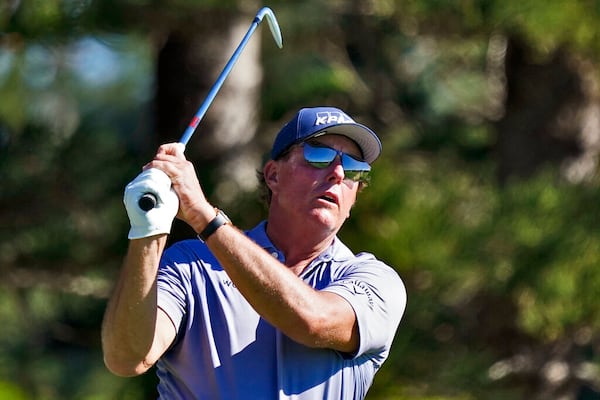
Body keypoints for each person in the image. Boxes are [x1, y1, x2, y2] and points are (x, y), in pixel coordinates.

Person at [101, 106, 407, 399]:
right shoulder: (191, 265)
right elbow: (128, 358)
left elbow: (312, 321)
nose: (338, 173)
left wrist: (203, 216)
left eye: (354, 167)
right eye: (319, 155)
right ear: (273, 175)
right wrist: (147, 228)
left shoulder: (376, 281)